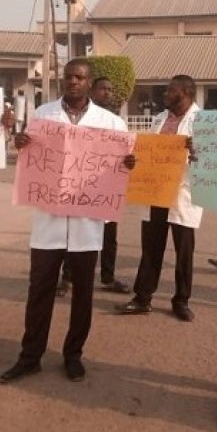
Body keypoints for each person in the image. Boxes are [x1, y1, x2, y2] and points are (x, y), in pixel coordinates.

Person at [0, 59, 135, 384]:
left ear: (89, 83)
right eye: (68, 77)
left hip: (87, 225)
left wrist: (129, 163)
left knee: (83, 294)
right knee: (40, 292)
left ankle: (73, 355)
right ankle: (30, 357)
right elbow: (27, 153)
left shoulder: (111, 123)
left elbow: (121, 168)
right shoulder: (43, 115)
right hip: (48, 224)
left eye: (80, 77)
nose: (73, 82)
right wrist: (19, 144)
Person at [116, 75, 203, 322]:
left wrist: (197, 153)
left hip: (183, 193)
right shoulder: (159, 119)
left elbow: (212, 162)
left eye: (171, 90)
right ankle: (143, 298)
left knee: (184, 251)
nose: (165, 94)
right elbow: (147, 154)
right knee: (151, 247)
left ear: (187, 92)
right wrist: (134, 161)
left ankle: (181, 300)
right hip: (155, 192)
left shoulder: (202, 122)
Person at [55, 77, 130, 296]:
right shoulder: (74, 120)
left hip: (105, 191)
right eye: (102, 89)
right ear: (91, 90)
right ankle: (67, 278)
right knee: (73, 236)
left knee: (109, 237)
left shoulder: (115, 121)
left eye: (110, 89)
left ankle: (108, 277)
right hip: (78, 190)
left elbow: (126, 154)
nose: (107, 93)